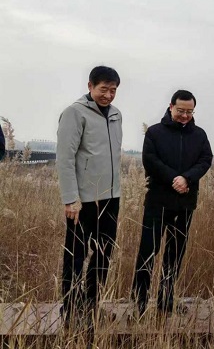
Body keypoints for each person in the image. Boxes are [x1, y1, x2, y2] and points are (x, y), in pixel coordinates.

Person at [131, 90, 213, 318]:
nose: (185, 115)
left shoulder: (200, 135)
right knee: (148, 252)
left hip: (185, 203)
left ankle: (166, 300)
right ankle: (139, 303)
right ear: (171, 107)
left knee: (174, 254)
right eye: (181, 111)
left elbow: (205, 160)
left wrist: (187, 178)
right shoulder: (155, 132)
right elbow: (150, 160)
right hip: (157, 202)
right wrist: (173, 179)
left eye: (189, 111)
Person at [56, 66, 123, 328]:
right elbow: (65, 159)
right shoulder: (75, 113)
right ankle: (71, 309)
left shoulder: (116, 115)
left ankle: (92, 305)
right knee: (76, 254)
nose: (108, 95)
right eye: (103, 89)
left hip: (110, 197)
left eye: (113, 90)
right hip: (82, 200)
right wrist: (70, 198)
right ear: (90, 86)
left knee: (104, 252)